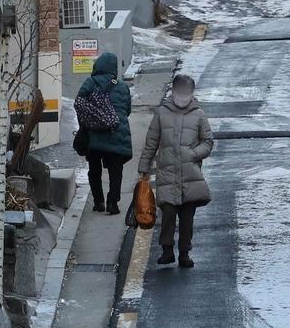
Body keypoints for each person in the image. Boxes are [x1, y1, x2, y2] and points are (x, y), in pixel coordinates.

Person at [139, 74, 214, 267]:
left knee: (187, 218)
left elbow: (208, 142)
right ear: (173, 91)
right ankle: (166, 250)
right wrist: (144, 167)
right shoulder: (161, 113)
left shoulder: (199, 114)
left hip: (191, 175)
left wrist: (194, 154)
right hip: (167, 173)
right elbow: (151, 142)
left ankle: (184, 253)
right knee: (168, 213)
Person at [77, 51, 133, 215]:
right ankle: (113, 202)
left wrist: (93, 119)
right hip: (117, 132)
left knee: (94, 169)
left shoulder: (91, 82)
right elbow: (127, 110)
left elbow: (80, 104)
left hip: (94, 134)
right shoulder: (122, 86)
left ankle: (98, 201)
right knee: (116, 170)